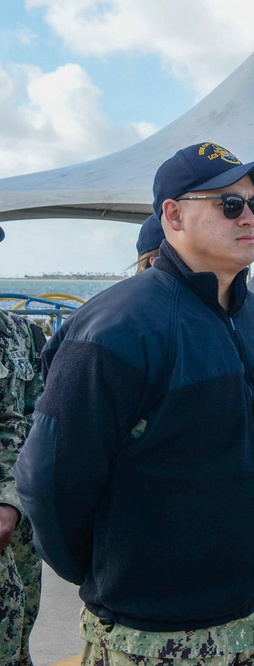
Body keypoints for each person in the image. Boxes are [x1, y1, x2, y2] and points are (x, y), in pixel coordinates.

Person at [15, 142, 254, 664]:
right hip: (156, 635)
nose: (249, 218)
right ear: (173, 215)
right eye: (229, 205)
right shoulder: (116, 329)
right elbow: (50, 482)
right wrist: (116, 573)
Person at [1, 224, 45, 666]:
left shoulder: (23, 335)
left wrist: (12, 502)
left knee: (15, 638)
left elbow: (37, 420)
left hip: (18, 532)